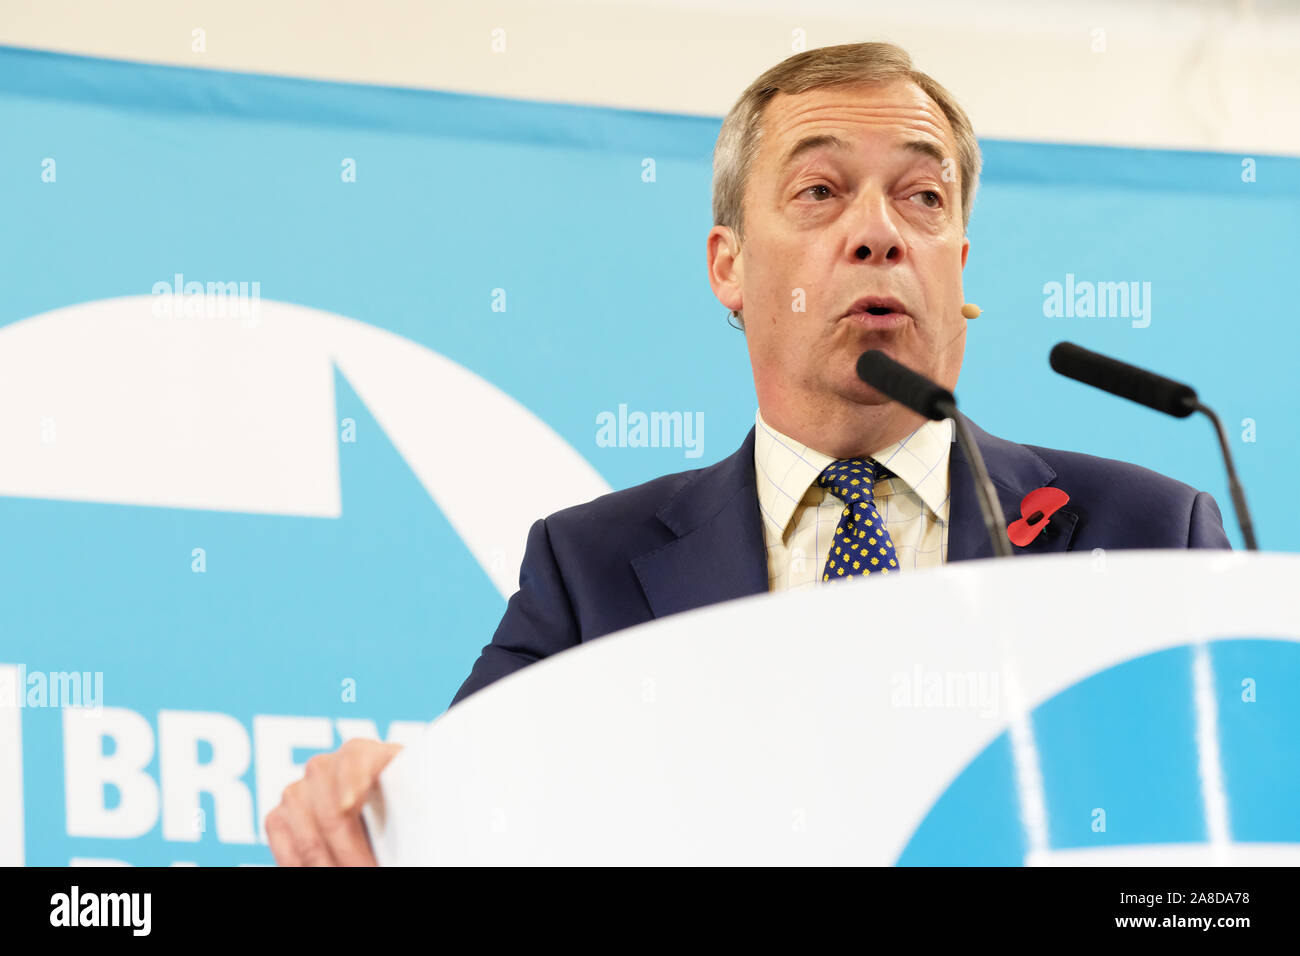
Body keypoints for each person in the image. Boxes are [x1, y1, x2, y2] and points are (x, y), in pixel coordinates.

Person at [266, 41, 1229, 866]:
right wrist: (378, 802)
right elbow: (475, 809)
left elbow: (1223, 850)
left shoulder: (1146, 534)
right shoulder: (591, 570)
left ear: (960, 265)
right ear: (729, 266)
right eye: (820, 192)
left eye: (923, 197)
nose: (880, 235)